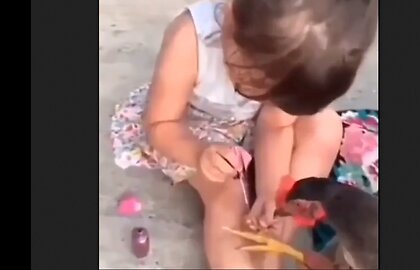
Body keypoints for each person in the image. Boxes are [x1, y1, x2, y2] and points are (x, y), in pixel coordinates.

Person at [110, 0, 378, 268]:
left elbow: (276, 124)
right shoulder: (190, 39)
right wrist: (200, 154)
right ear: (231, 14)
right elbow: (161, 124)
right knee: (229, 192)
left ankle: (277, 225)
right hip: (191, 131)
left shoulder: (288, 60)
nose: (257, 94)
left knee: (325, 126)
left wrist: (269, 193)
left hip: (256, 124)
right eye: (251, 83)